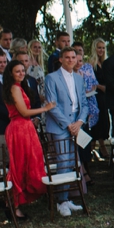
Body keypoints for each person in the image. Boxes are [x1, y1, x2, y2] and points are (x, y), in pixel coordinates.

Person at [3, 59, 55, 220]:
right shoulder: (13, 88)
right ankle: (12, 205)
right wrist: (45, 108)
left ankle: (19, 202)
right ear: (11, 73)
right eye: (17, 71)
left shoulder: (19, 87)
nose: (21, 74)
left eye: (22, 71)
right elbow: (24, 112)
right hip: (19, 129)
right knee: (18, 167)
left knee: (30, 163)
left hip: (25, 129)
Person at [44, 45, 87, 216]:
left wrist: (79, 122)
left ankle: (67, 198)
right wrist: (69, 124)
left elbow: (83, 104)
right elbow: (52, 105)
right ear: (61, 59)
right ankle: (60, 201)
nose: (70, 60)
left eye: (73, 57)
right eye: (67, 57)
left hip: (76, 125)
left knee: (71, 161)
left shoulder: (79, 78)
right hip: (60, 126)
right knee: (62, 162)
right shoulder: (51, 78)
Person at [74, 39, 101, 165]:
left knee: (86, 137)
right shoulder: (70, 75)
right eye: (76, 60)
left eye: (80, 61)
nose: (79, 63)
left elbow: (94, 85)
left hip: (86, 108)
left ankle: (86, 165)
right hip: (74, 112)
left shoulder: (85, 70)